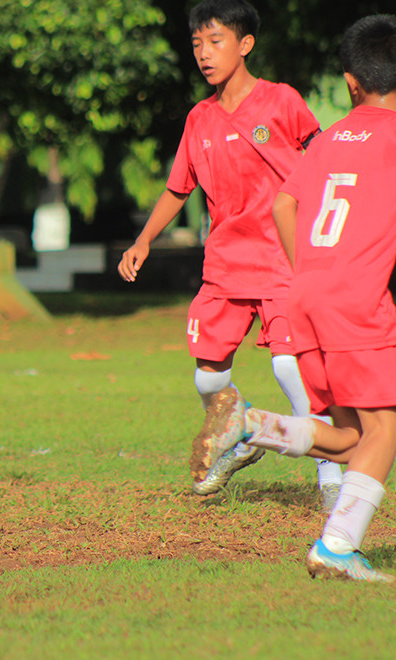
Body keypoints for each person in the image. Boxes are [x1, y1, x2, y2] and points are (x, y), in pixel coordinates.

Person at [194, 13, 396, 581]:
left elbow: (285, 205)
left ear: (352, 84)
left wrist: (309, 268)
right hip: (359, 300)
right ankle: (337, 546)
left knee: (354, 437)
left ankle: (252, 425)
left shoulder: (331, 137)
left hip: (306, 292)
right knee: (386, 431)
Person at [117, 0, 343, 505]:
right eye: (197, 43)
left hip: (284, 259)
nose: (204, 53)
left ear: (245, 45)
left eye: (215, 41)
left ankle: (331, 476)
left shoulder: (282, 101)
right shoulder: (199, 118)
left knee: (290, 367)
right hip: (225, 266)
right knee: (208, 375)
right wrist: (144, 239)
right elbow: (179, 189)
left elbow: (323, 157)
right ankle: (239, 435)